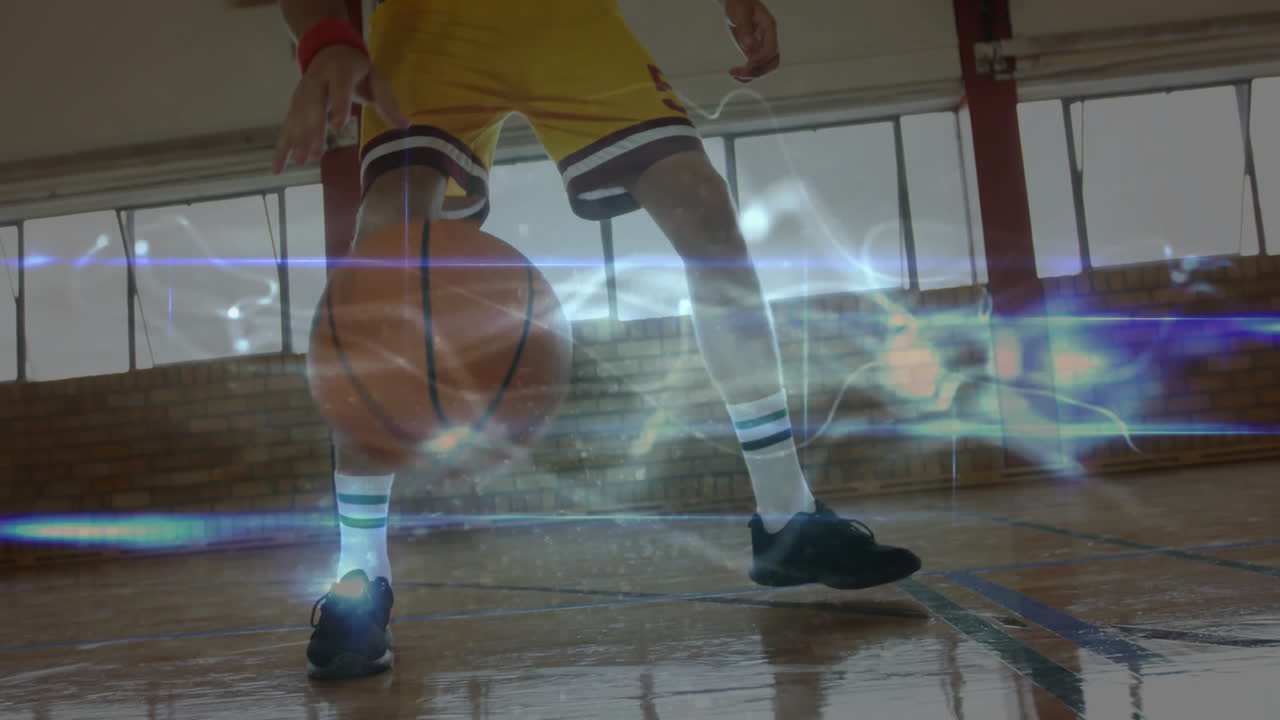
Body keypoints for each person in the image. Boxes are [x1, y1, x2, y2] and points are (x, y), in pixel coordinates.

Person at [274, 0, 922, 681]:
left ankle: (788, 517)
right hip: (428, 25)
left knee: (702, 207)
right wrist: (323, 40)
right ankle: (358, 578)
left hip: (564, 16)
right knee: (385, 251)